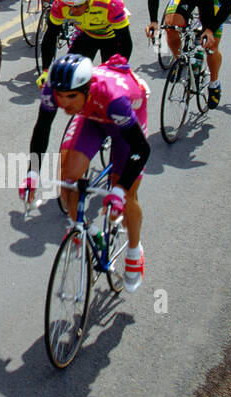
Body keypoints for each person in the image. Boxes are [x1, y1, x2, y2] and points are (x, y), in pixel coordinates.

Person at [19, 53, 152, 289]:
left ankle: (134, 251)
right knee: (68, 179)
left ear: (87, 89)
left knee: (128, 195)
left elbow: (141, 149)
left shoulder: (113, 99)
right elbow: (42, 128)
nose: (64, 102)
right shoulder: (53, 89)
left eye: (71, 96)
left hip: (125, 125)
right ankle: (86, 231)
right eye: (60, 95)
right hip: (92, 119)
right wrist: (33, 173)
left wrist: (119, 191)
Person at [145, 0, 231, 108]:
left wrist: (210, 29)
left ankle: (214, 84)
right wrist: (154, 21)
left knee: (211, 47)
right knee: (169, 26)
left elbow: (226, 4)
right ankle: (180, 61)